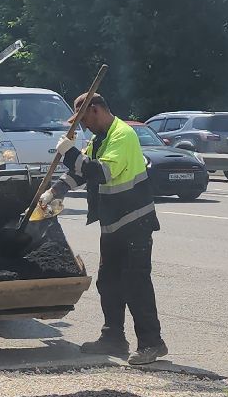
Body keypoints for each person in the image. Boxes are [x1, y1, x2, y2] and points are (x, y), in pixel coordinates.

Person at [46, 91, 168, 365]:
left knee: (136, 284)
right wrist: (56, 191)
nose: (84, 127)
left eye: (84, 121)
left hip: (135, 222)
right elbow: (81, 171)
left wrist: (69, 153)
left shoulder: (122, 136)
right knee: (109, 282)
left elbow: (100, 172)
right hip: (113, 224)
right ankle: (113, 337)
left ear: (96, 110)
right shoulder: (101, 139)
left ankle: (152, 343)